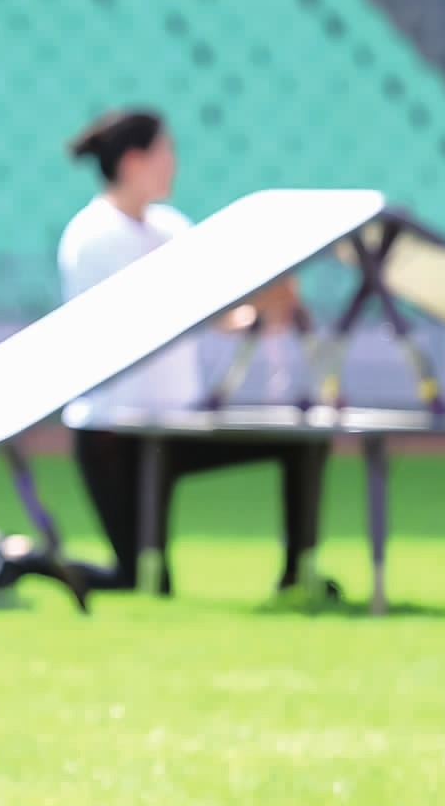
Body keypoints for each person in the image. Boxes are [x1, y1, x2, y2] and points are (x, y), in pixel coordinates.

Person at [56, 108, 335, 606]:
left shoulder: (170, 226)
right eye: (166, 152)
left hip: (176, 424)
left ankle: (298, 575)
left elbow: (215, 311)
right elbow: (164, 308)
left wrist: (262, 311)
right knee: (138, 579)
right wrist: (248, 298)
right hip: (114, 428)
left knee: (302, 440)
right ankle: (23, 561)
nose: (174, 165)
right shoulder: (94, 235)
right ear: (134, 160)